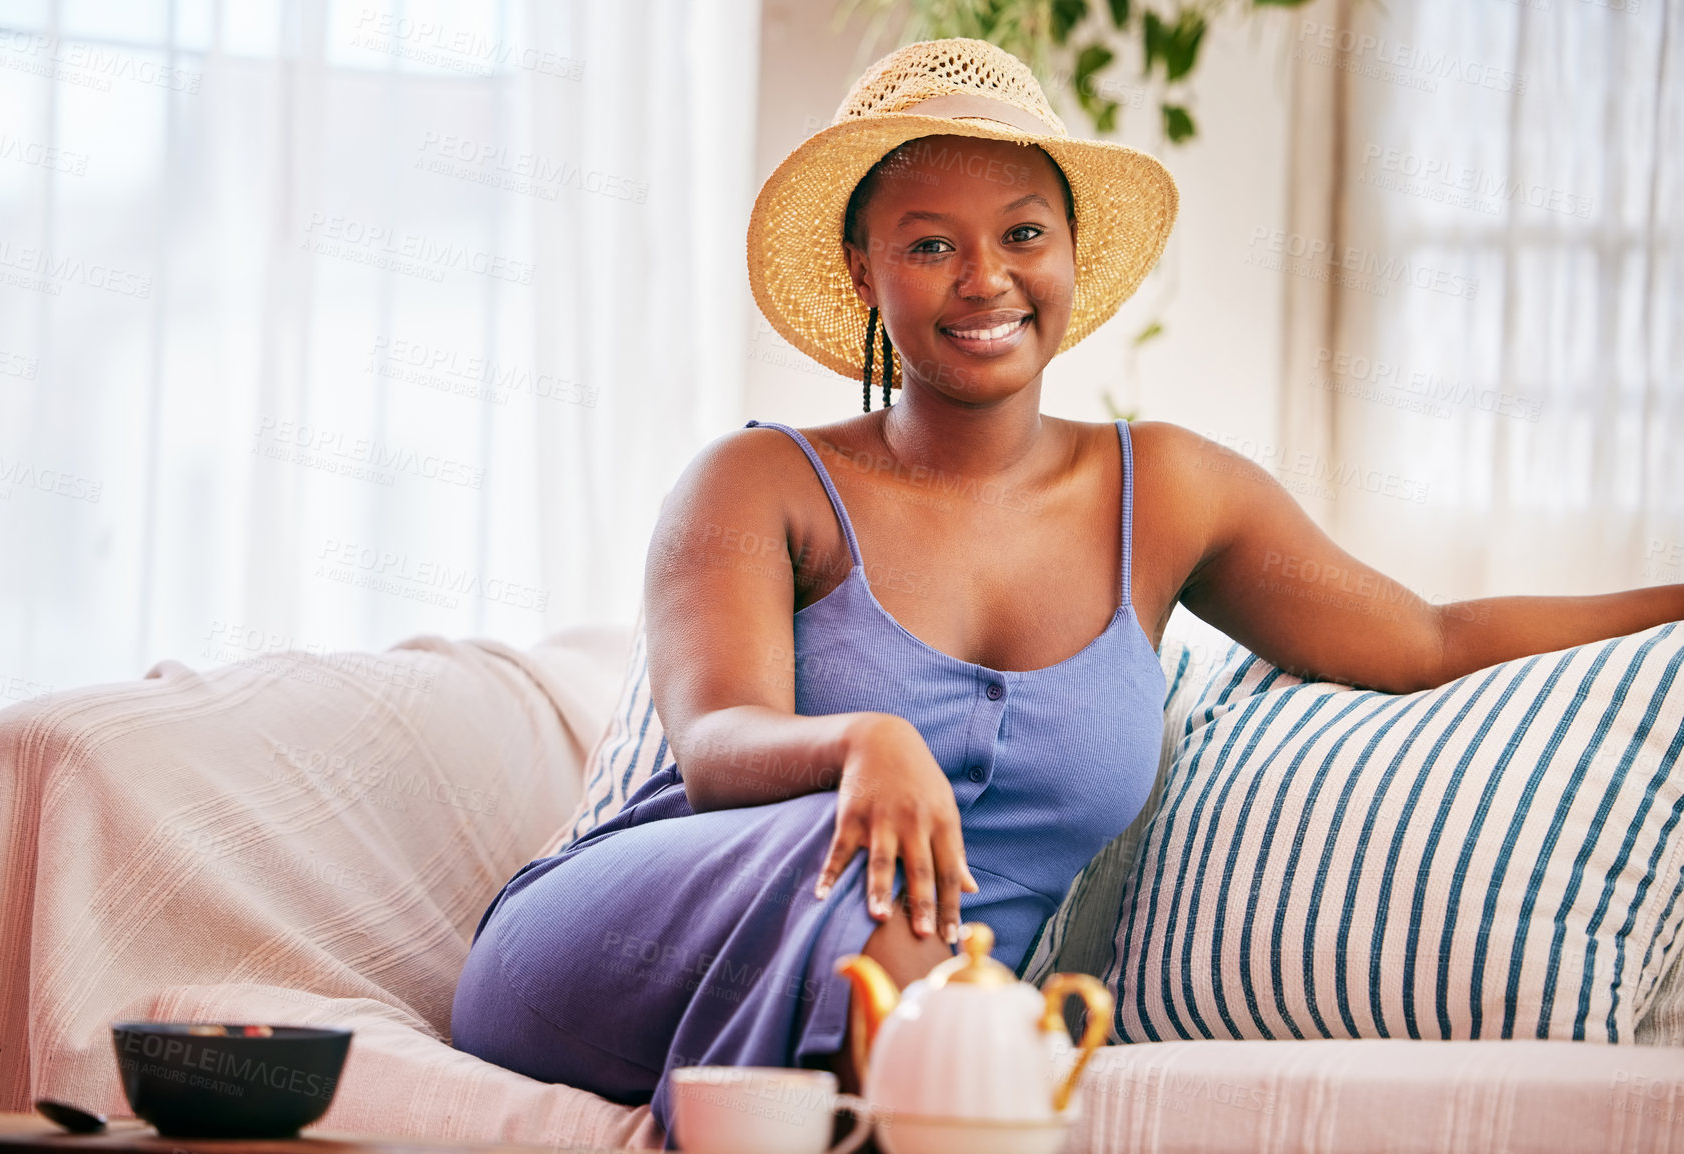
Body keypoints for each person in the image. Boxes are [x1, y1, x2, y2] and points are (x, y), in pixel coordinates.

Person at [449, 37, 1682, 1143]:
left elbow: (1423, 637)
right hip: (619, 948)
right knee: (893, 892)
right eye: (931, 243)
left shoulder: (1172, 492)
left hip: (935, 999)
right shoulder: (758, 481)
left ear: (1072, 255)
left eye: (1023, 233)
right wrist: (864, 742)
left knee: (928, 946)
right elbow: (718, 745)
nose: (985, 277)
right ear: (864, 268)